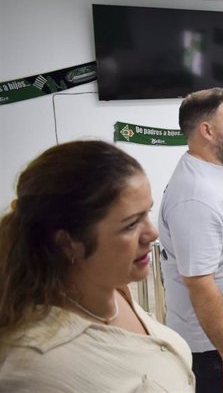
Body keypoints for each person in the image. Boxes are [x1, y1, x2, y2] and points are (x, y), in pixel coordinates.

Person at [0, 140, 194, 392]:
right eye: (130, 225)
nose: (152, 232)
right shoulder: (36, 370)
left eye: (147, 212)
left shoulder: (112, 287)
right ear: (68, 242)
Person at [159, 87, 223, 393]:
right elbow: (200, 285)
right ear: (207, 130)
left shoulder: (217, 169)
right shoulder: (195, 197)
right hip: (213, 347)